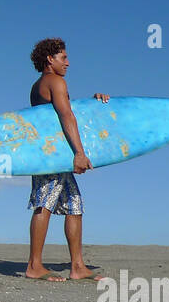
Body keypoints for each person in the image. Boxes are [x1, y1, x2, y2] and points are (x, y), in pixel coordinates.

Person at [25, 38, 109, 283]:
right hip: (52, 156)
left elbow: (67, 111)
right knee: (45, 203)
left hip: (55, 154)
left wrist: (94, 104)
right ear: (50, 59)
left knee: (75, 207)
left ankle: (77, 266)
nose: (68, 63)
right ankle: (34, 266)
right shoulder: (55, 81)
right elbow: (66, 115)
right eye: (64, 57)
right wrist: (80, 153)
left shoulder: (39, 85)